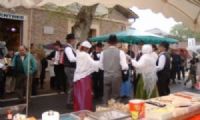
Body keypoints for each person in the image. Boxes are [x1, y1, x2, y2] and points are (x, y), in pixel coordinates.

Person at [100, 35, 128, 104]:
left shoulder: (103, 52)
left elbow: (100, 66)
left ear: (108, 43)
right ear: (116, 43)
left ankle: (105, 110)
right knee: (115, 97)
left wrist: (107, 68)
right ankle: (114, 112)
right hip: (116, 76)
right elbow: (125, 67)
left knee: (106, 95)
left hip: (106, 76)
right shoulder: (120, 52)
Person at [73, 41, 99, 111]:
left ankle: (78, 109)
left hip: (77, 78)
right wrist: (101, 62)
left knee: (78, 95)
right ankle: (84, 110)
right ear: (87, 48)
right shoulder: (86, 55)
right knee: (85, 95)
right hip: (84, 78)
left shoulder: (78, 54)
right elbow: (93, 64)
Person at [64, 33, 77, 105]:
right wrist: (80, 58)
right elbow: (72, 59)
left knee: (72, 85)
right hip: (70, 68)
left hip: (70, 68)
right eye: (74, 39)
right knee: (72, 85)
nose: (75, 41)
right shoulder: (68, 48)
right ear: (71, 40)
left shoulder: (70, 48)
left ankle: (70, 101)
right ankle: (70, 102)